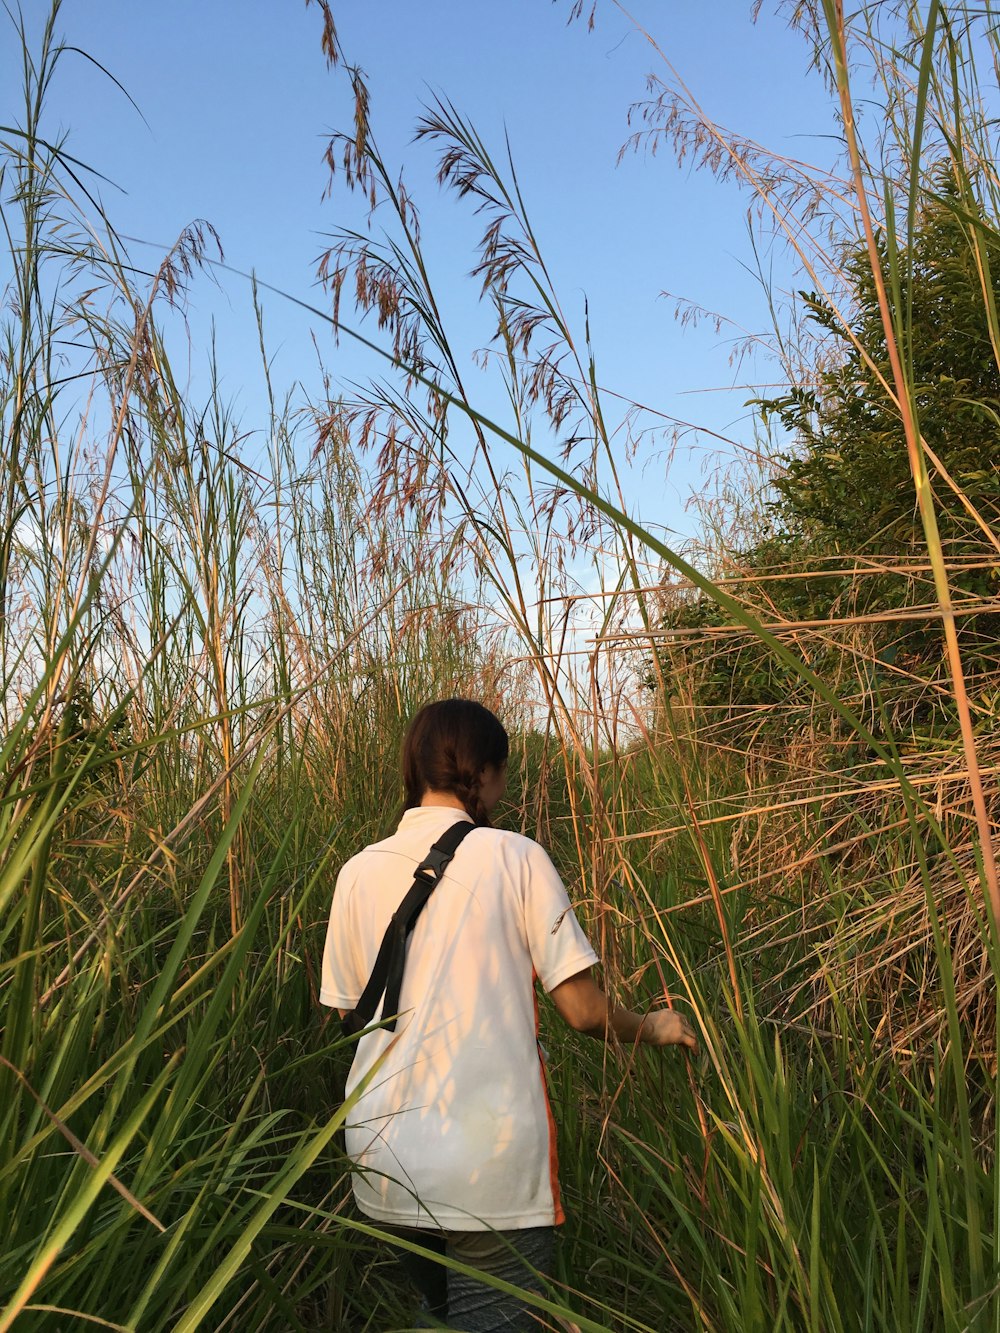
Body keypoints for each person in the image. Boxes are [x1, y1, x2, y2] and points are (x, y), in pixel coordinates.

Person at [320, 698, 697, 1331]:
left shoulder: (356, 872)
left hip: (383, 1165)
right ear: (487, 773)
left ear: (416, 771)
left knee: (435, 1314)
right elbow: (583, 1010)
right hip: (486, 1167)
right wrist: (652, 1026)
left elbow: (347, 1019)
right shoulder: (517, 856)